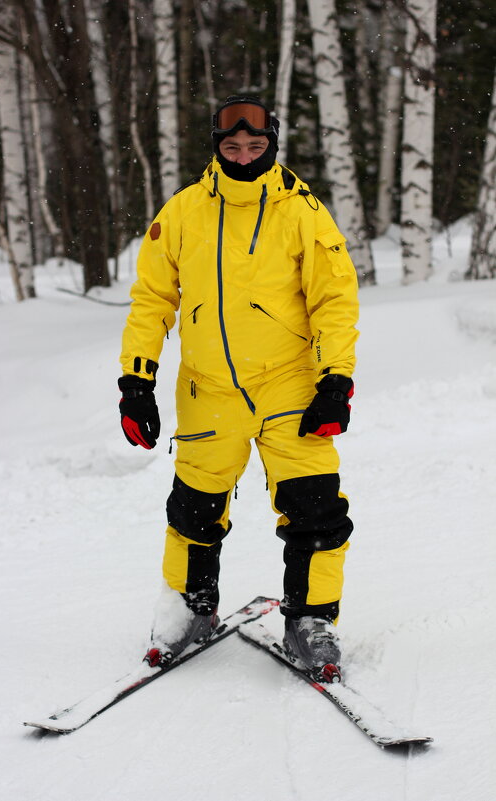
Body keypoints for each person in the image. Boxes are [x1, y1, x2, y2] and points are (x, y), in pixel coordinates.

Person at [119, 95, 359, 682]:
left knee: (316, 512)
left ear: (272, 143)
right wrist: (136, 380)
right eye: (232, 146)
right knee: (193, 512)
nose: (243, 155)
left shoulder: (303, 212)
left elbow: (334, 299)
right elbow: (152, 301)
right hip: (208, 391)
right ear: (216, 147)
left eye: (255, 146)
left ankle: (311, 620)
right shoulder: (180, 213)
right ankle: (188, 610)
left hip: (290, 386)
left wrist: (336, 379)